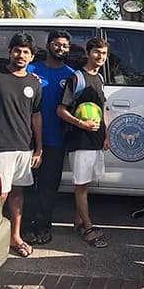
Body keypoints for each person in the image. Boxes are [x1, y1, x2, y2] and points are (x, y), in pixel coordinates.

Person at [0, 33, 43, 258]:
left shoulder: (34, 83)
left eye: (26, 52)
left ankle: (14, 236)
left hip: (24, 148)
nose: (21, 55)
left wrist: (38, 148)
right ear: (9, 52)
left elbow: (36, 117)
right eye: (17, 50)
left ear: (32, 56)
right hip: (0, 147)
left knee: (18, 194)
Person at [22, 30, 75, 245]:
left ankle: (44, 226)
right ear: (48, 45)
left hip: (56, 139)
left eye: (65, 46)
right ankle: (26, 228)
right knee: (27, 186)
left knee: (49, 188)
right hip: (28, 139)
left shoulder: (72, 75)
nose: (60, 48)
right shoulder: (32, 70)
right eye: (57, 44)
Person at [57, 37, 110, 248]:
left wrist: (105, 135)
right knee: (81, 187)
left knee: (86, 184)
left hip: (95, 141)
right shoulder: (76, 78)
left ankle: (78, 221)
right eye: (97, 52)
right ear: (88, 53)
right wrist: (81, 124)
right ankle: (88, 227)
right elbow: (60, 110)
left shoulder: (99, 79)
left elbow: (101, 110)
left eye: (104, 54)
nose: (100, 57)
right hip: (80, 141)